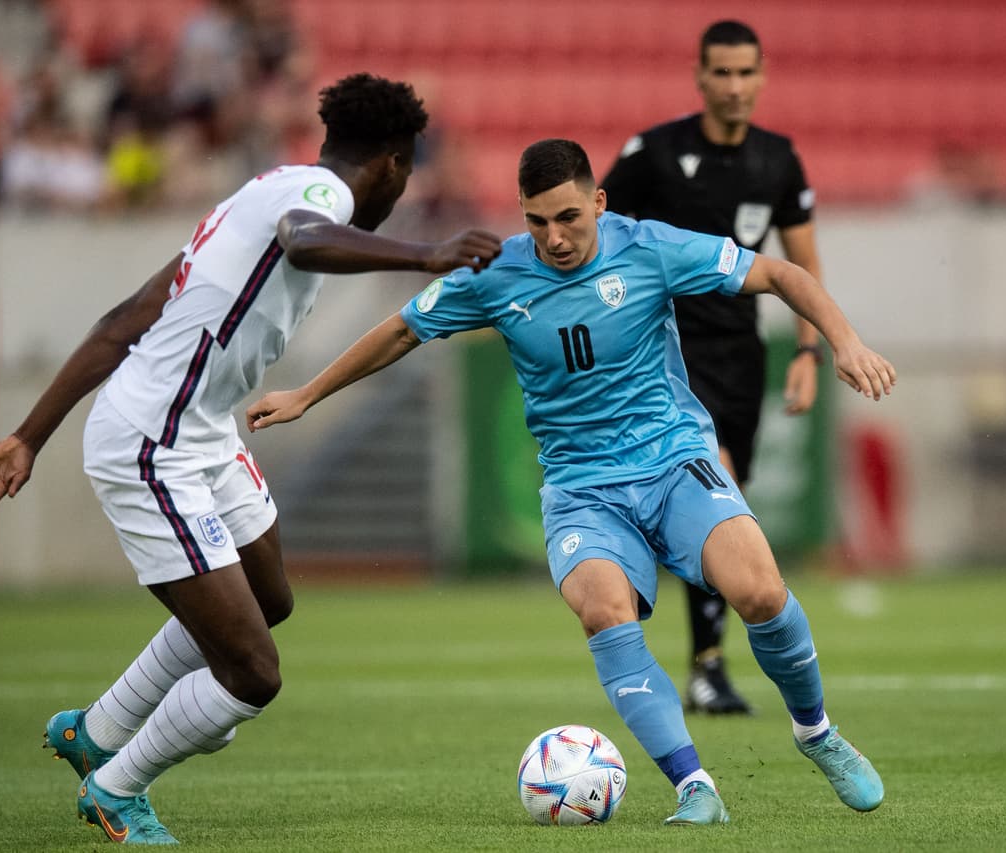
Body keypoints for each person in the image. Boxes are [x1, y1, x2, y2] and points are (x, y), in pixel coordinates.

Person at [246, 139, 893, 824]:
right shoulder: (495, 274)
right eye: (536, 221)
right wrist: (307, 394)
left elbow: (782, 275)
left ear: (599, 203)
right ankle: (694, 785)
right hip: (581, 487)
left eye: (569, 218)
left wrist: (843, 342)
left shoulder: (648, 247)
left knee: (761, 591)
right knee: (604, 610)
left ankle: (817, 733)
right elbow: (403, 330)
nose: (554, 237)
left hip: (672, 460)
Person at [0, 73, 502, 845]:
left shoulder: (262, 193)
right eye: (405, 172)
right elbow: (304, 240)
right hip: (152, 441)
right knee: (253, 671)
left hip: (202, 430)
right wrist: (425, 253)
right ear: (390, 162)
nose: (403, 187)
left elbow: (125, 321)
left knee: (269, 599)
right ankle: (117, 786)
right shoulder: (316, 205)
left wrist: (29, 435)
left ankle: (99, 727)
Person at [600, 20, 823, 714]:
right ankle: (705, 667)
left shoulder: (778, 161)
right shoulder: (653, 155)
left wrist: (810, 350)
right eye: (720, 73)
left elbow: (804, 264)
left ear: (762, 77)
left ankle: (702, 663)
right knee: (714, 483)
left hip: (740, 355)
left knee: (725, 506)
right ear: (699, 77)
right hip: (665, 355)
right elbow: (595, 232)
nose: (733, 86)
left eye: (745, 73)